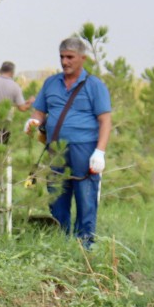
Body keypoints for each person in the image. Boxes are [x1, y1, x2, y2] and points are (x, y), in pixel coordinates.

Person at [26, 37, 112, 246]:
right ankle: (60, 239)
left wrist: (99, 152)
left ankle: (85, 244)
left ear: (82, 58)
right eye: (62, 57)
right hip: (55, 147)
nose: (65, 62)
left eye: (70, 57)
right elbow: (40, 111)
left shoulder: (94, 85)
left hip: (85, 147)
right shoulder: (51, 83)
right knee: (56, 194)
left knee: (85, 197)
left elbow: (105, 120)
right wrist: (34, 121)